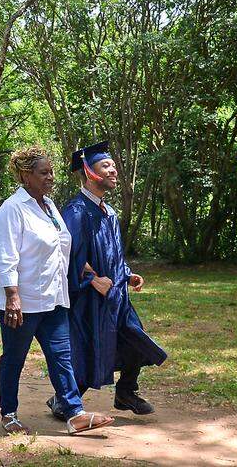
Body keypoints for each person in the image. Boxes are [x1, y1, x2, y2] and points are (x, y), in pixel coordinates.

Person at [0, 145, 114, 435]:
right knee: (14, 358)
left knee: (62, 356)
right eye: (44, 172)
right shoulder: (12, 210)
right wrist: (12, 297)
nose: (51, 177)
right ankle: (9, 414)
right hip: (23, 300)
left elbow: (61, 247)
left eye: (52, 171)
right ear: (25, 175)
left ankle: (74, 413)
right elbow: (5, 256)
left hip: (54, 298)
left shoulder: (50, 206)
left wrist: (85, 271)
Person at [48, 140, 167, 420]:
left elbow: (112, 252)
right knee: (91, 350)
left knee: (136, 341)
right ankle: (64, 401)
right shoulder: (77, 211)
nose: (113, 170)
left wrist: (127, 273)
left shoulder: (107, 211)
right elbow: (67, 252)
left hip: (116, 296)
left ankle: (126, 392)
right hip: (90, 298)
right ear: (89, 172)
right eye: (106, 166)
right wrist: (91, 279)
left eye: (114, 166)